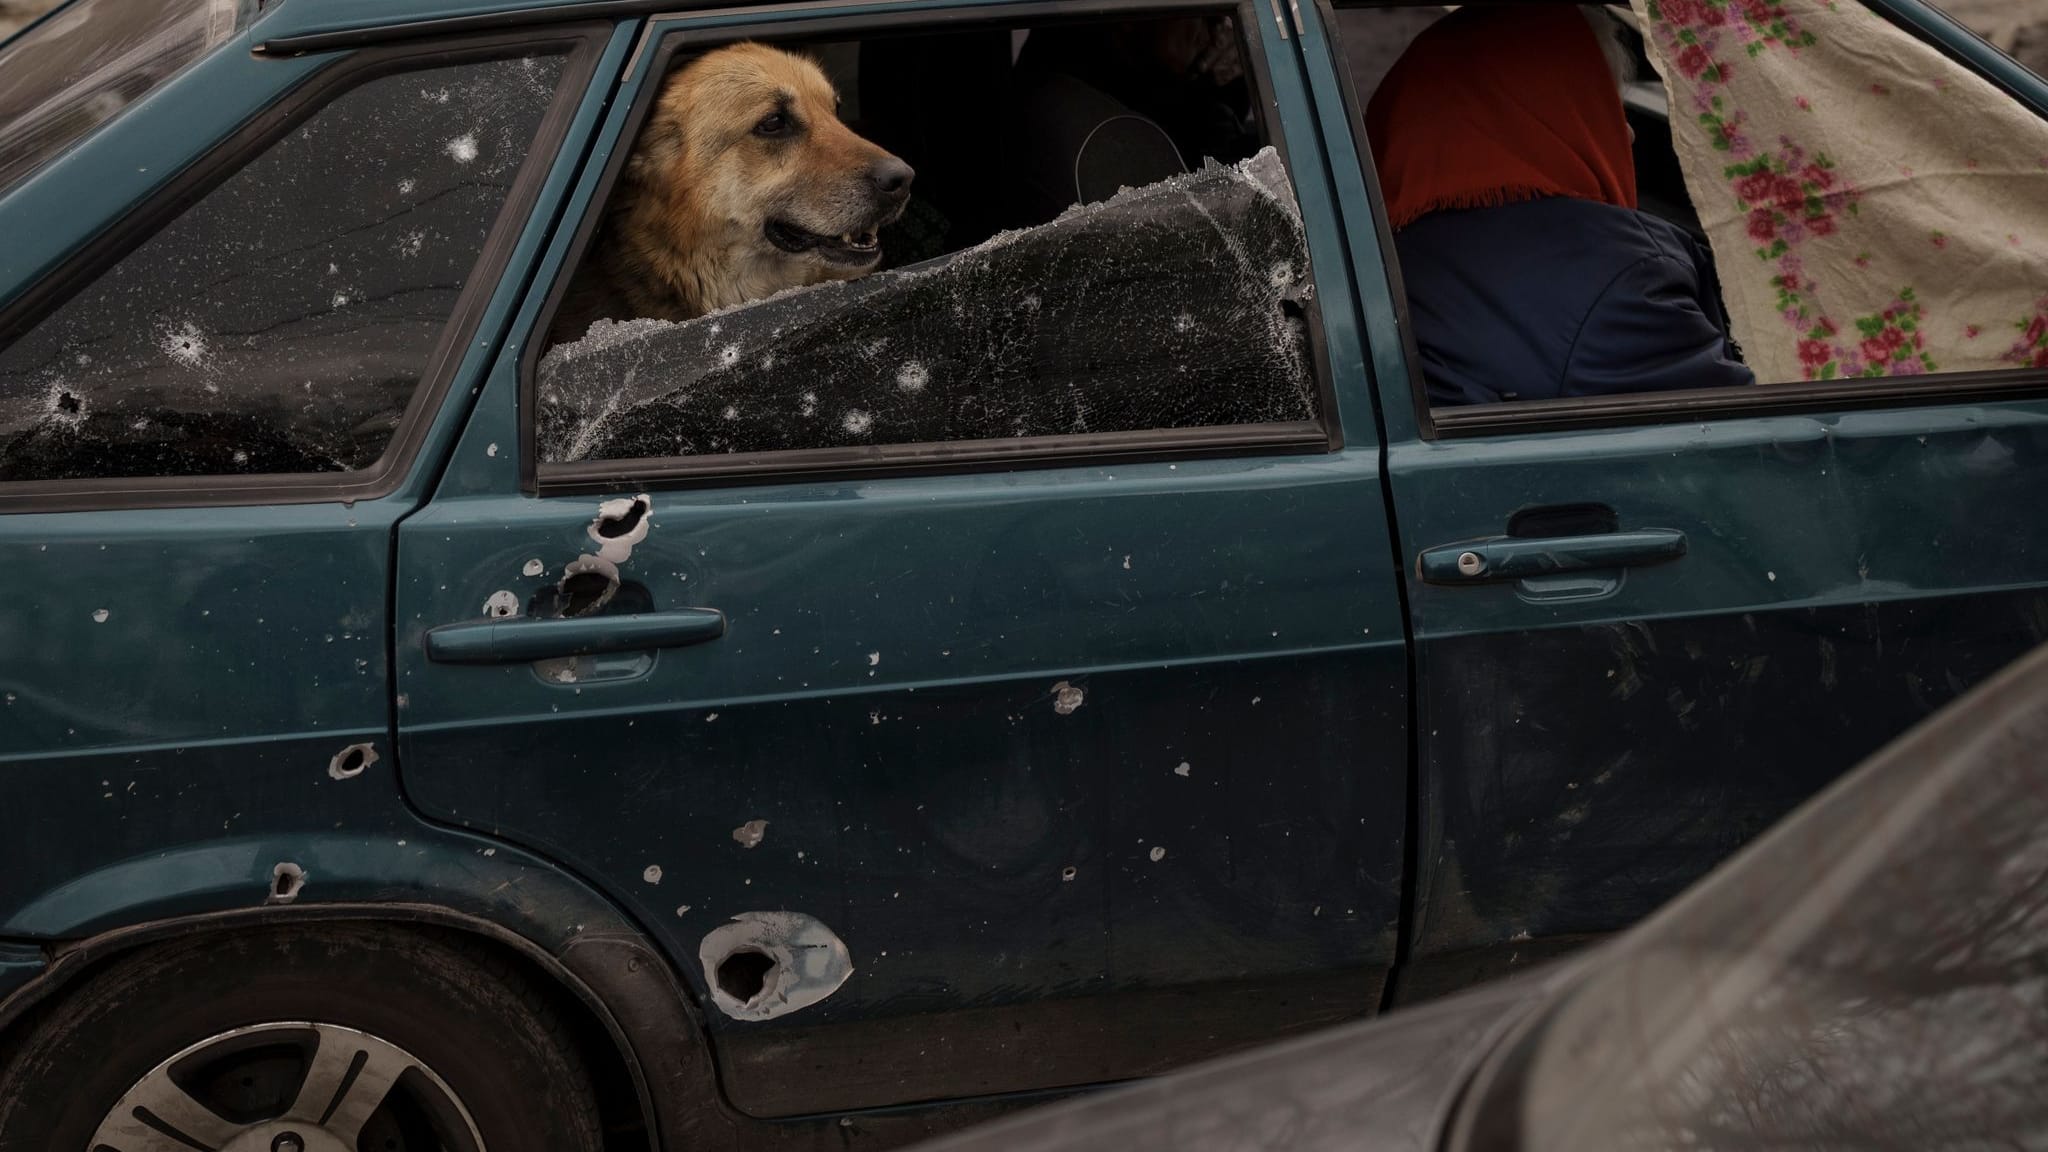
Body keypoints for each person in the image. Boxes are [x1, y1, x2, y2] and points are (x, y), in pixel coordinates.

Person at [1366, 5, 1754, 405]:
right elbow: (1750, 432)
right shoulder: (1622, 279)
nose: (1628, 133)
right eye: (1605, 108)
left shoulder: (1367, 257)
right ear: (1554, 117)